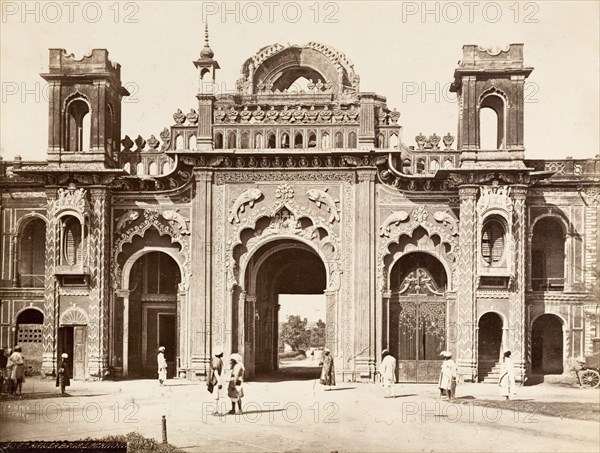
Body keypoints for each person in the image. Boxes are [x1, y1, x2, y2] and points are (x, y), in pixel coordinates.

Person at [210, 348, 224, 415]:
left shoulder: (217, 360)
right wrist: (219, 382)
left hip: (217, 380)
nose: (223, 354)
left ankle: (216, 410)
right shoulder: (217, 360)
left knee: (217, 395)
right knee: (216, 395)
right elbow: (215, 372)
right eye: (221, 352)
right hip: (216, 380)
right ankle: (215, 410)